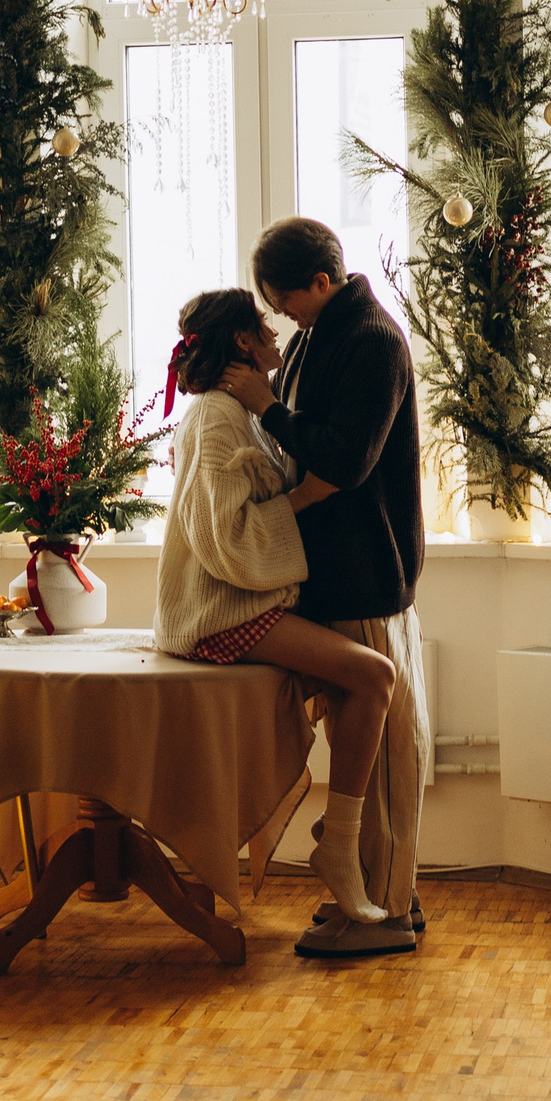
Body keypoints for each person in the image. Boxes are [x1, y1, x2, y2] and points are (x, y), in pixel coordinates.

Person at [153, 287, 408, 941]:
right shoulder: (216, 417)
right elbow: (223, 537)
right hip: (220, 611)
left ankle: (341, 841)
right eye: (264, 325)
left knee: (362, 682)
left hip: (242, 603)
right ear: (243, 341)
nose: (277, 334)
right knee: (375, 676)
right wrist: (304, 499)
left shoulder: (233, 411)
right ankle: (340, 846)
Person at [218, 217, 432, 962]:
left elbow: (345, 457)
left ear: (320, 280)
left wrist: (266, 405)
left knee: (387, 754)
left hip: (368, 574)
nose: (281, 316)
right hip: (335, 572)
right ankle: (376, 890)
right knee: (361, 747)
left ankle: (386, 911)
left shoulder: (372, 340)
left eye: (286, 300)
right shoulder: (322, 333)